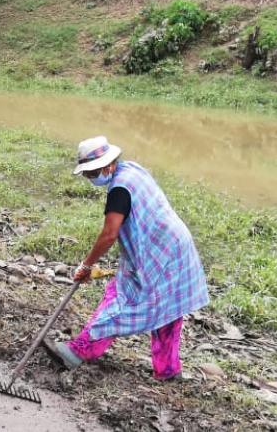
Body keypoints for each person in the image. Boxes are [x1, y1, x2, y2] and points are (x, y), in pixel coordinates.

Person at [42, 136, 209, 380]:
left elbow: (109, 234)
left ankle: (78, 351)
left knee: (122, 298)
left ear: (108, 165)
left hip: (159, 251)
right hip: (174, 245)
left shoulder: (119, 189)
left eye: (92, 173)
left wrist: (86, 265)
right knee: (168, 308)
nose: (91, 178)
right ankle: (168, 370)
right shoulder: (132, 168)